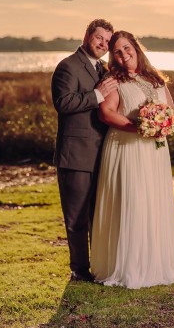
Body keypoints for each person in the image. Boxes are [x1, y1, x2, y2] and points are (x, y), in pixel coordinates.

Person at [90, 30, 174, 288]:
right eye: (118, 52)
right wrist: (139, 127)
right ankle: (129, 266)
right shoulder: (114, 79)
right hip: (127, 147)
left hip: (155, 150)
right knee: (132, 200)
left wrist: (164, 124)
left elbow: (170, 110)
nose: (124, 55)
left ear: (136, 47)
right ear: (113, 57)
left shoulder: (155, 78)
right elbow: (106, 113)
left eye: (127, 48)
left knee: (154, 200)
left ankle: (157, 262)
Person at [51, 19, 118, 282]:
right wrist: (97, 95)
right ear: (87, 36)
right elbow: (64, 103)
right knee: (77, 217)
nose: (103, 44)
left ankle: (100, 266)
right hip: (75, 155)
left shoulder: (104, 69)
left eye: (107, 42)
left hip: (103, 153)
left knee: (99, 214)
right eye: (99, 38)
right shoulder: (67, 66)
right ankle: (79, 270)